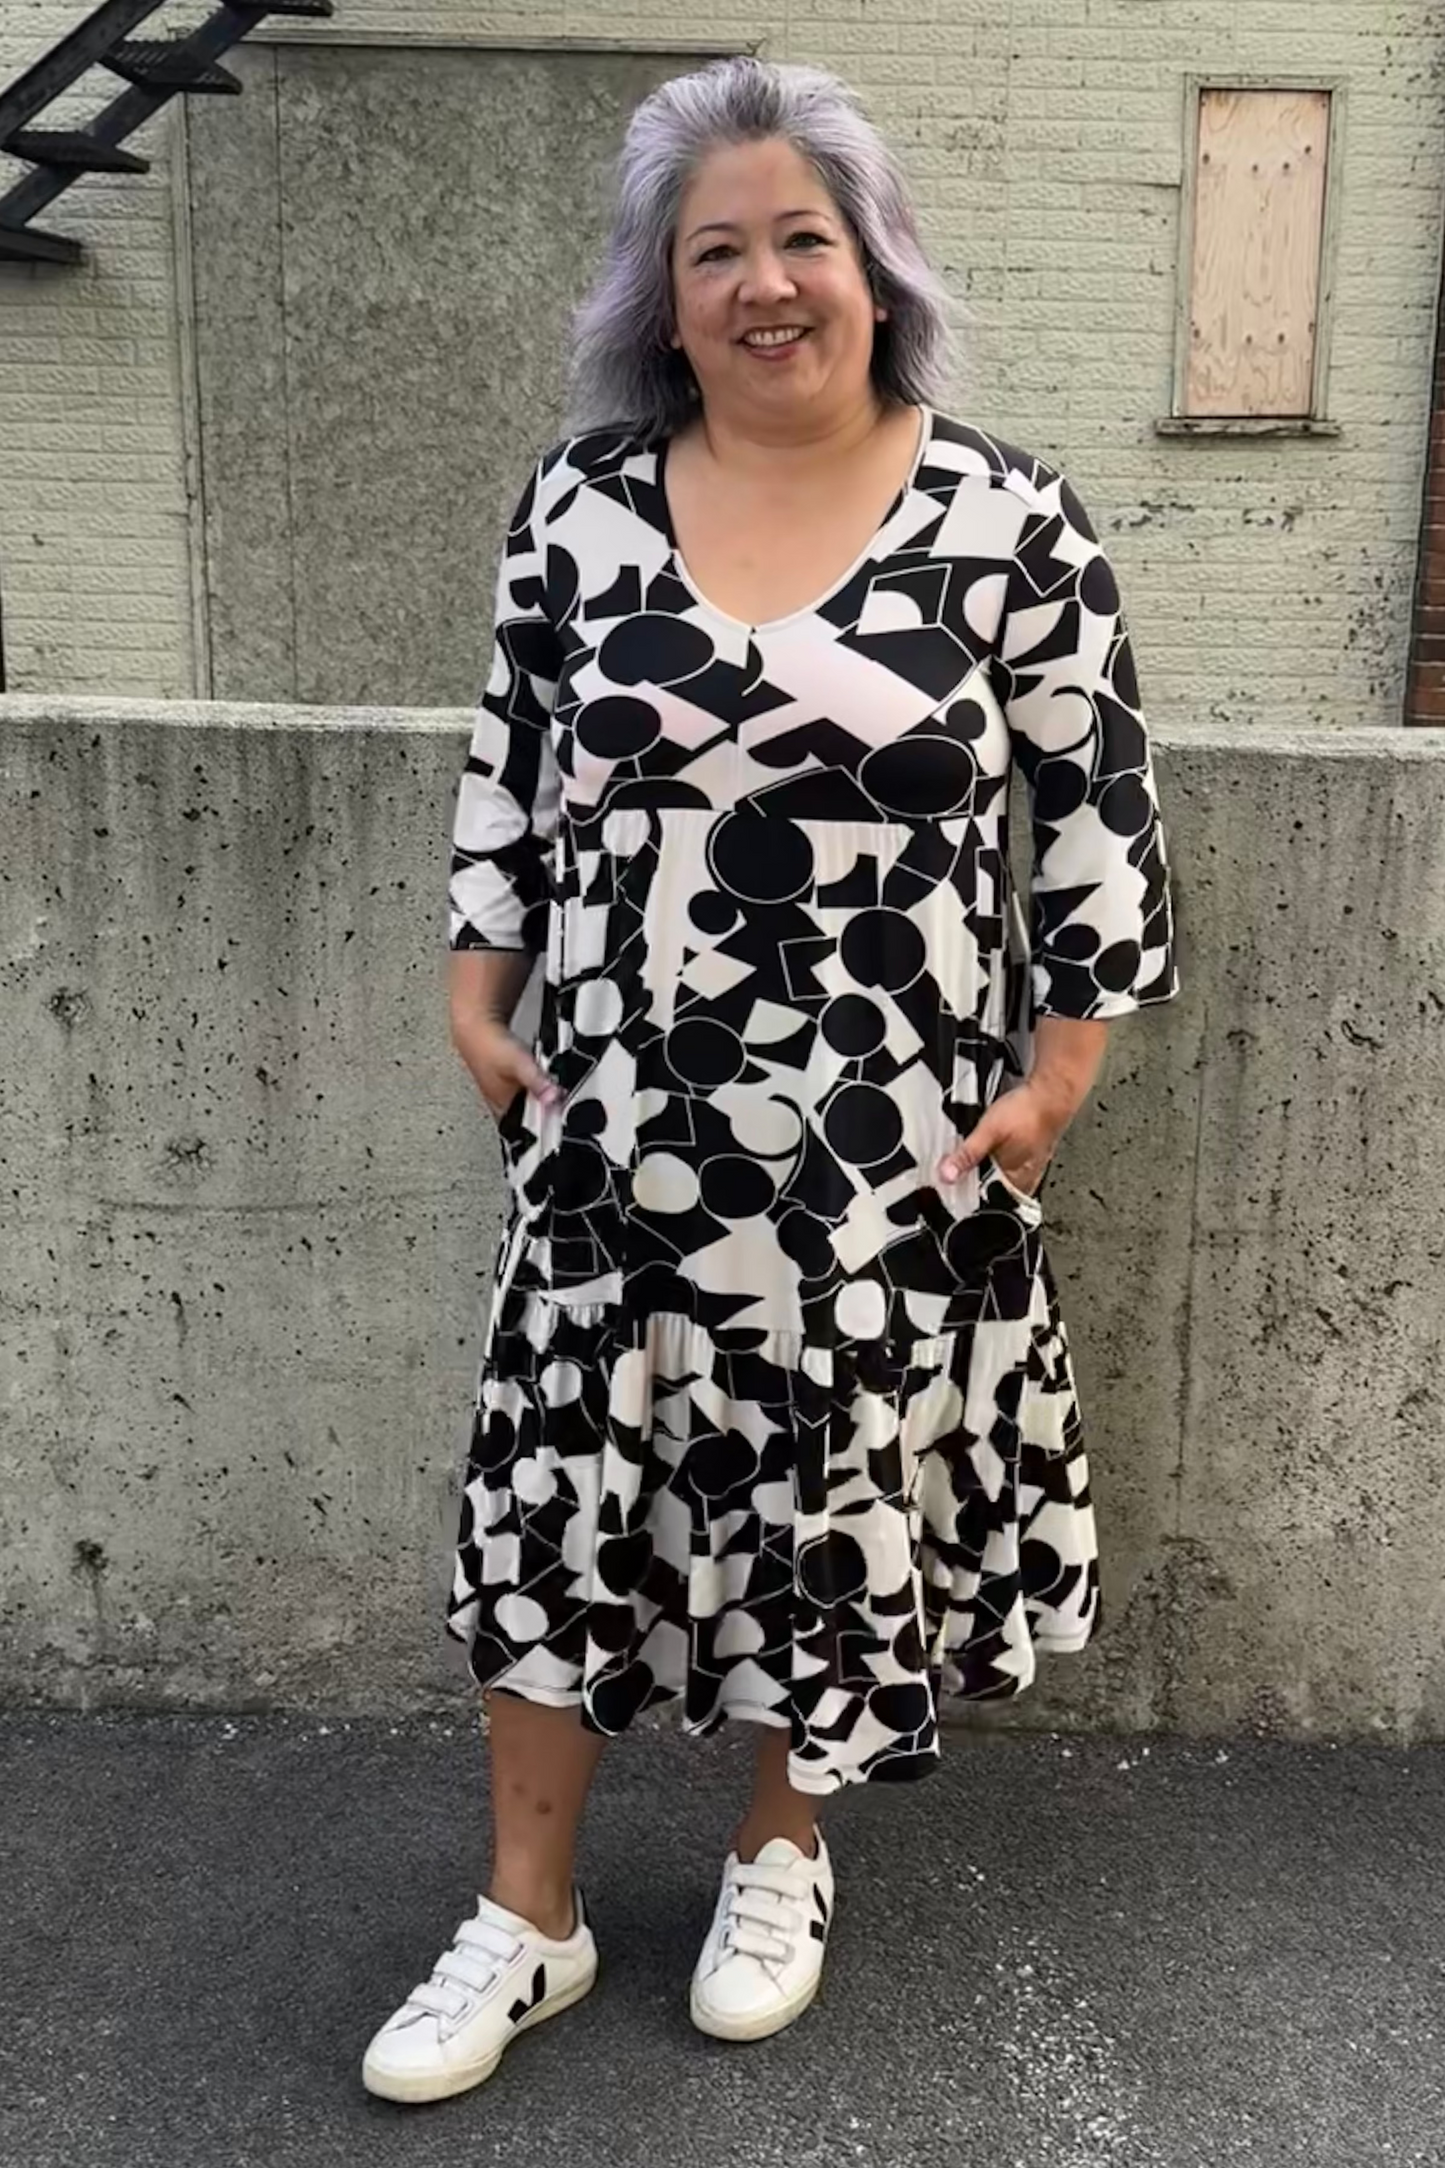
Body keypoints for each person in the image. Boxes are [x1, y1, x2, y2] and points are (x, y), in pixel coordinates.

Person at [362, 55, 1179, 2105]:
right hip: (618, 1127)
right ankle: (525, 1915)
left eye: (797, 238)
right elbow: (509, 763)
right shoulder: (577, 505)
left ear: (871, 264)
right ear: (660, 295)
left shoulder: (1005, 518)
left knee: (826, 1499)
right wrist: (482, 975)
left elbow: (1089, 805)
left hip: (876, 1148)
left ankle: (775, 1847)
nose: (760, 283)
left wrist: (1061, 1059)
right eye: (708, 249)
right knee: (558, 1500)